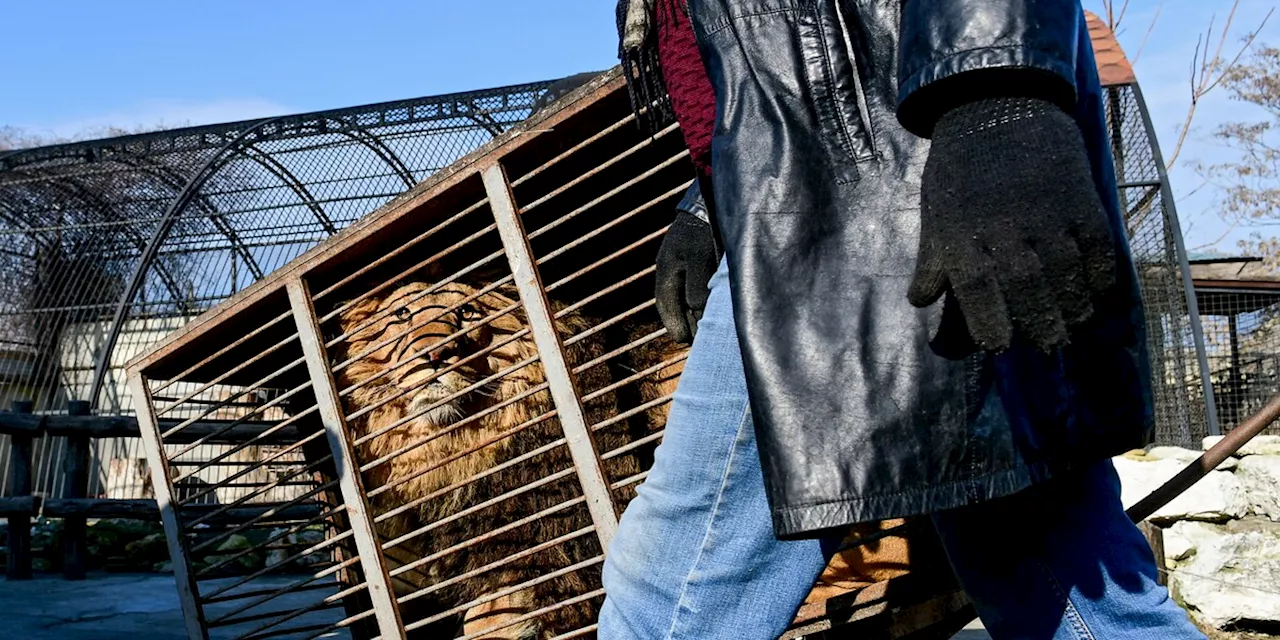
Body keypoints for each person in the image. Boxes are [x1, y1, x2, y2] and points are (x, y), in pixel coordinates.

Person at [596, 0, 1209, 638]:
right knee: (1063, 582)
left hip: (866, 207)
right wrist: (709, 198)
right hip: (831, 192)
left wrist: (995, 91)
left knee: (669, 602)